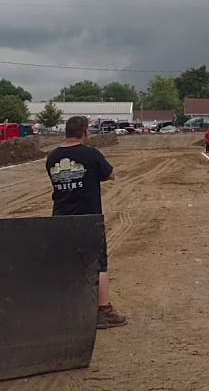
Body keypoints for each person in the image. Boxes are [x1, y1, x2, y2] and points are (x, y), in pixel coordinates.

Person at [46, 116, 127, 329]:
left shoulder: (52, 157)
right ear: (84, 132)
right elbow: (111, 174)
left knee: (67, 264)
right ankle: (103, 310)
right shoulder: (91, 154)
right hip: (89, 218)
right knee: (98, 264)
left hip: (60, 218)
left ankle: (66, 309)